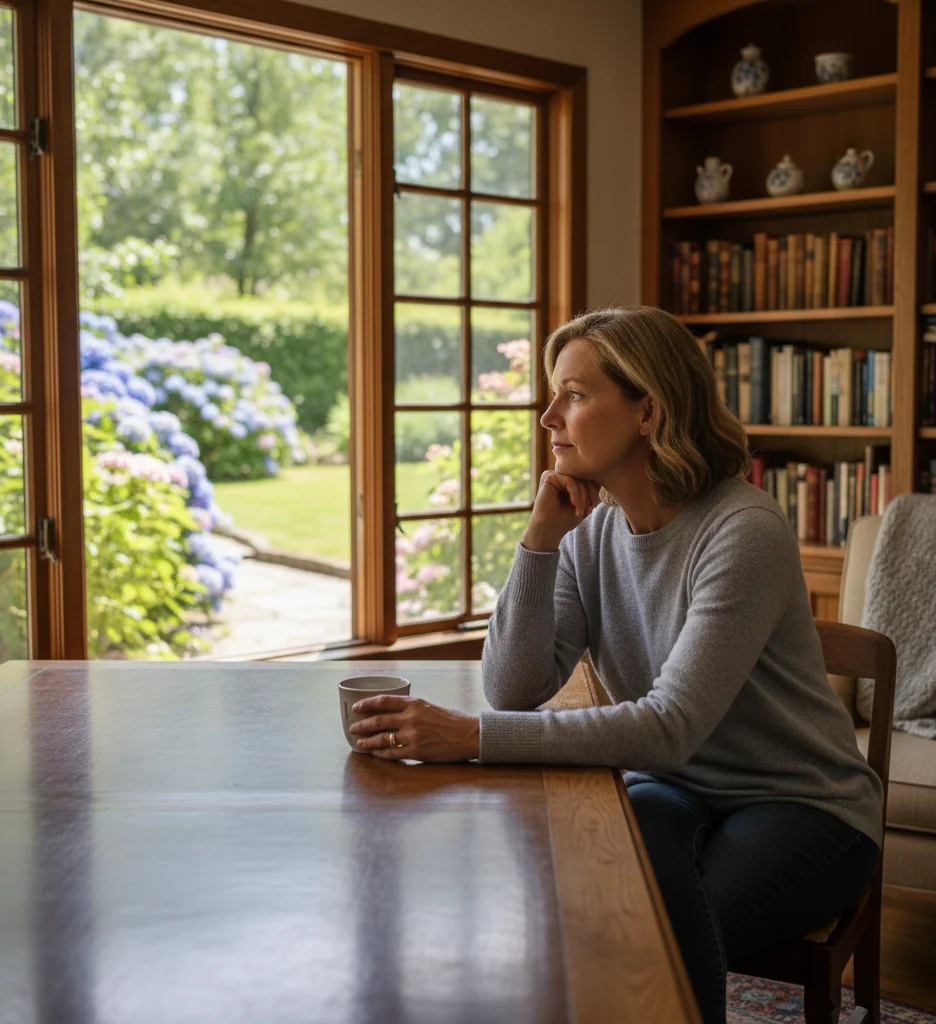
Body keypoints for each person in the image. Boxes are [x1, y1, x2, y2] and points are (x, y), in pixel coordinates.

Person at [350, 306, 882, 1023]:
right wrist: (538, 543)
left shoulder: (743, 530)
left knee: (646, 929)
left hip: (801, 802)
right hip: (673, 788)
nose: (548, 417)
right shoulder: (591, 532)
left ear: (647, 412)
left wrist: (468, 738)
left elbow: (668, 727)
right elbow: (512, 690)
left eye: (573, 394)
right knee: (609, 891)